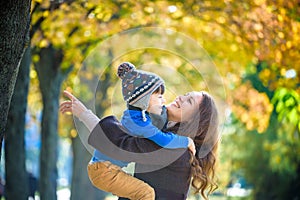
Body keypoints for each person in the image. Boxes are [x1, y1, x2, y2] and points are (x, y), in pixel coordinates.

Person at [60, 62, 195, 200]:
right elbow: (160, 139)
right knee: (146, 194)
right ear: (144, 100)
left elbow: (112, 135)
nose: (165, 100)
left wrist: (83, 113)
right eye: (159, 97)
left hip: (104, 168)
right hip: (105, 170)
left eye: (189, 101)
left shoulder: (135, 117)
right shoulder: (142, 124)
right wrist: (186, 141)